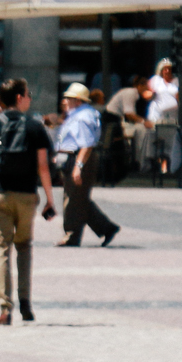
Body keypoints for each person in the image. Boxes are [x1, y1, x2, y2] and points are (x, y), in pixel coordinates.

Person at [0, 78, 55, 326]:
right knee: (24, 247)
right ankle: (26, 304)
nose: (30, 97)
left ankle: (5, 307)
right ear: (19, 98)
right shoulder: (35, 128)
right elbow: (43, 166)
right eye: (28, 94)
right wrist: (50, 199)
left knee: (2, 250)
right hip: (26, 196)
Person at [53, 82, 119, 249]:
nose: (64, 101)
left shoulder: (82, 117)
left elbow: (86, 145)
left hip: (81, 159)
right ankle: (106, 227)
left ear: (78, 101)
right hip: (74, 157)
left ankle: (71, 235)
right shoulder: (80, 114)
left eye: (68, 98)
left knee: (73, 199)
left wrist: (78, 166)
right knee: (78, 198)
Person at [146, 58, 182, 175]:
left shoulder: (176, 81)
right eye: (165, 69)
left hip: (172, 117)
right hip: (157, 115)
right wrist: (150, 94)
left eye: (169, 69)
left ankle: (168, 163)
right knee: (157, 138)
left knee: (170, 140)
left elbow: (179, 97)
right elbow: (147, 93)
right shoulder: (155, 80)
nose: (167, 71)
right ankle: (159, 163)